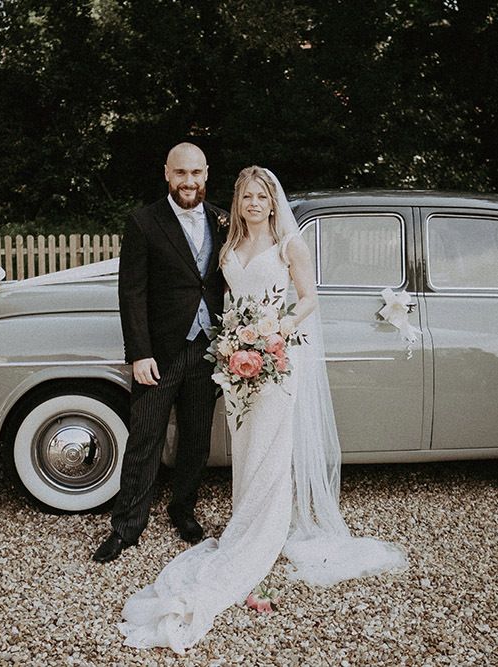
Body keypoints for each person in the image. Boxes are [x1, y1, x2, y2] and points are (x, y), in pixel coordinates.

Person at [117, 166, 408, 654]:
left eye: (262, 196)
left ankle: (257, 542)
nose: (254, 203)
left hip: (274, 360)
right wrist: (234, 343)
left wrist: (276, 332)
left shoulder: (288, 245)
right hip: (234, 363)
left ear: (274, 202)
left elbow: (309, 299)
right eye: (247, 196)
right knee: (246, 450)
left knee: (272, 453)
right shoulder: (229, 245)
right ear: (239, 200)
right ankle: (244, 524)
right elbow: (216, 295)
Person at [92, 142, 228, 563]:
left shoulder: (223, 220)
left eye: (196, 173)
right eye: (181, 173)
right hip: (161, 354)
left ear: (206, 174)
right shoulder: (143, 222)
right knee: (145, 439)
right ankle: (127, 527)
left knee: (196, 440)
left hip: (207, 349)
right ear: (167, 174)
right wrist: (140, 353)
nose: (189, 182)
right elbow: (131, 293)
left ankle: (183, 510)